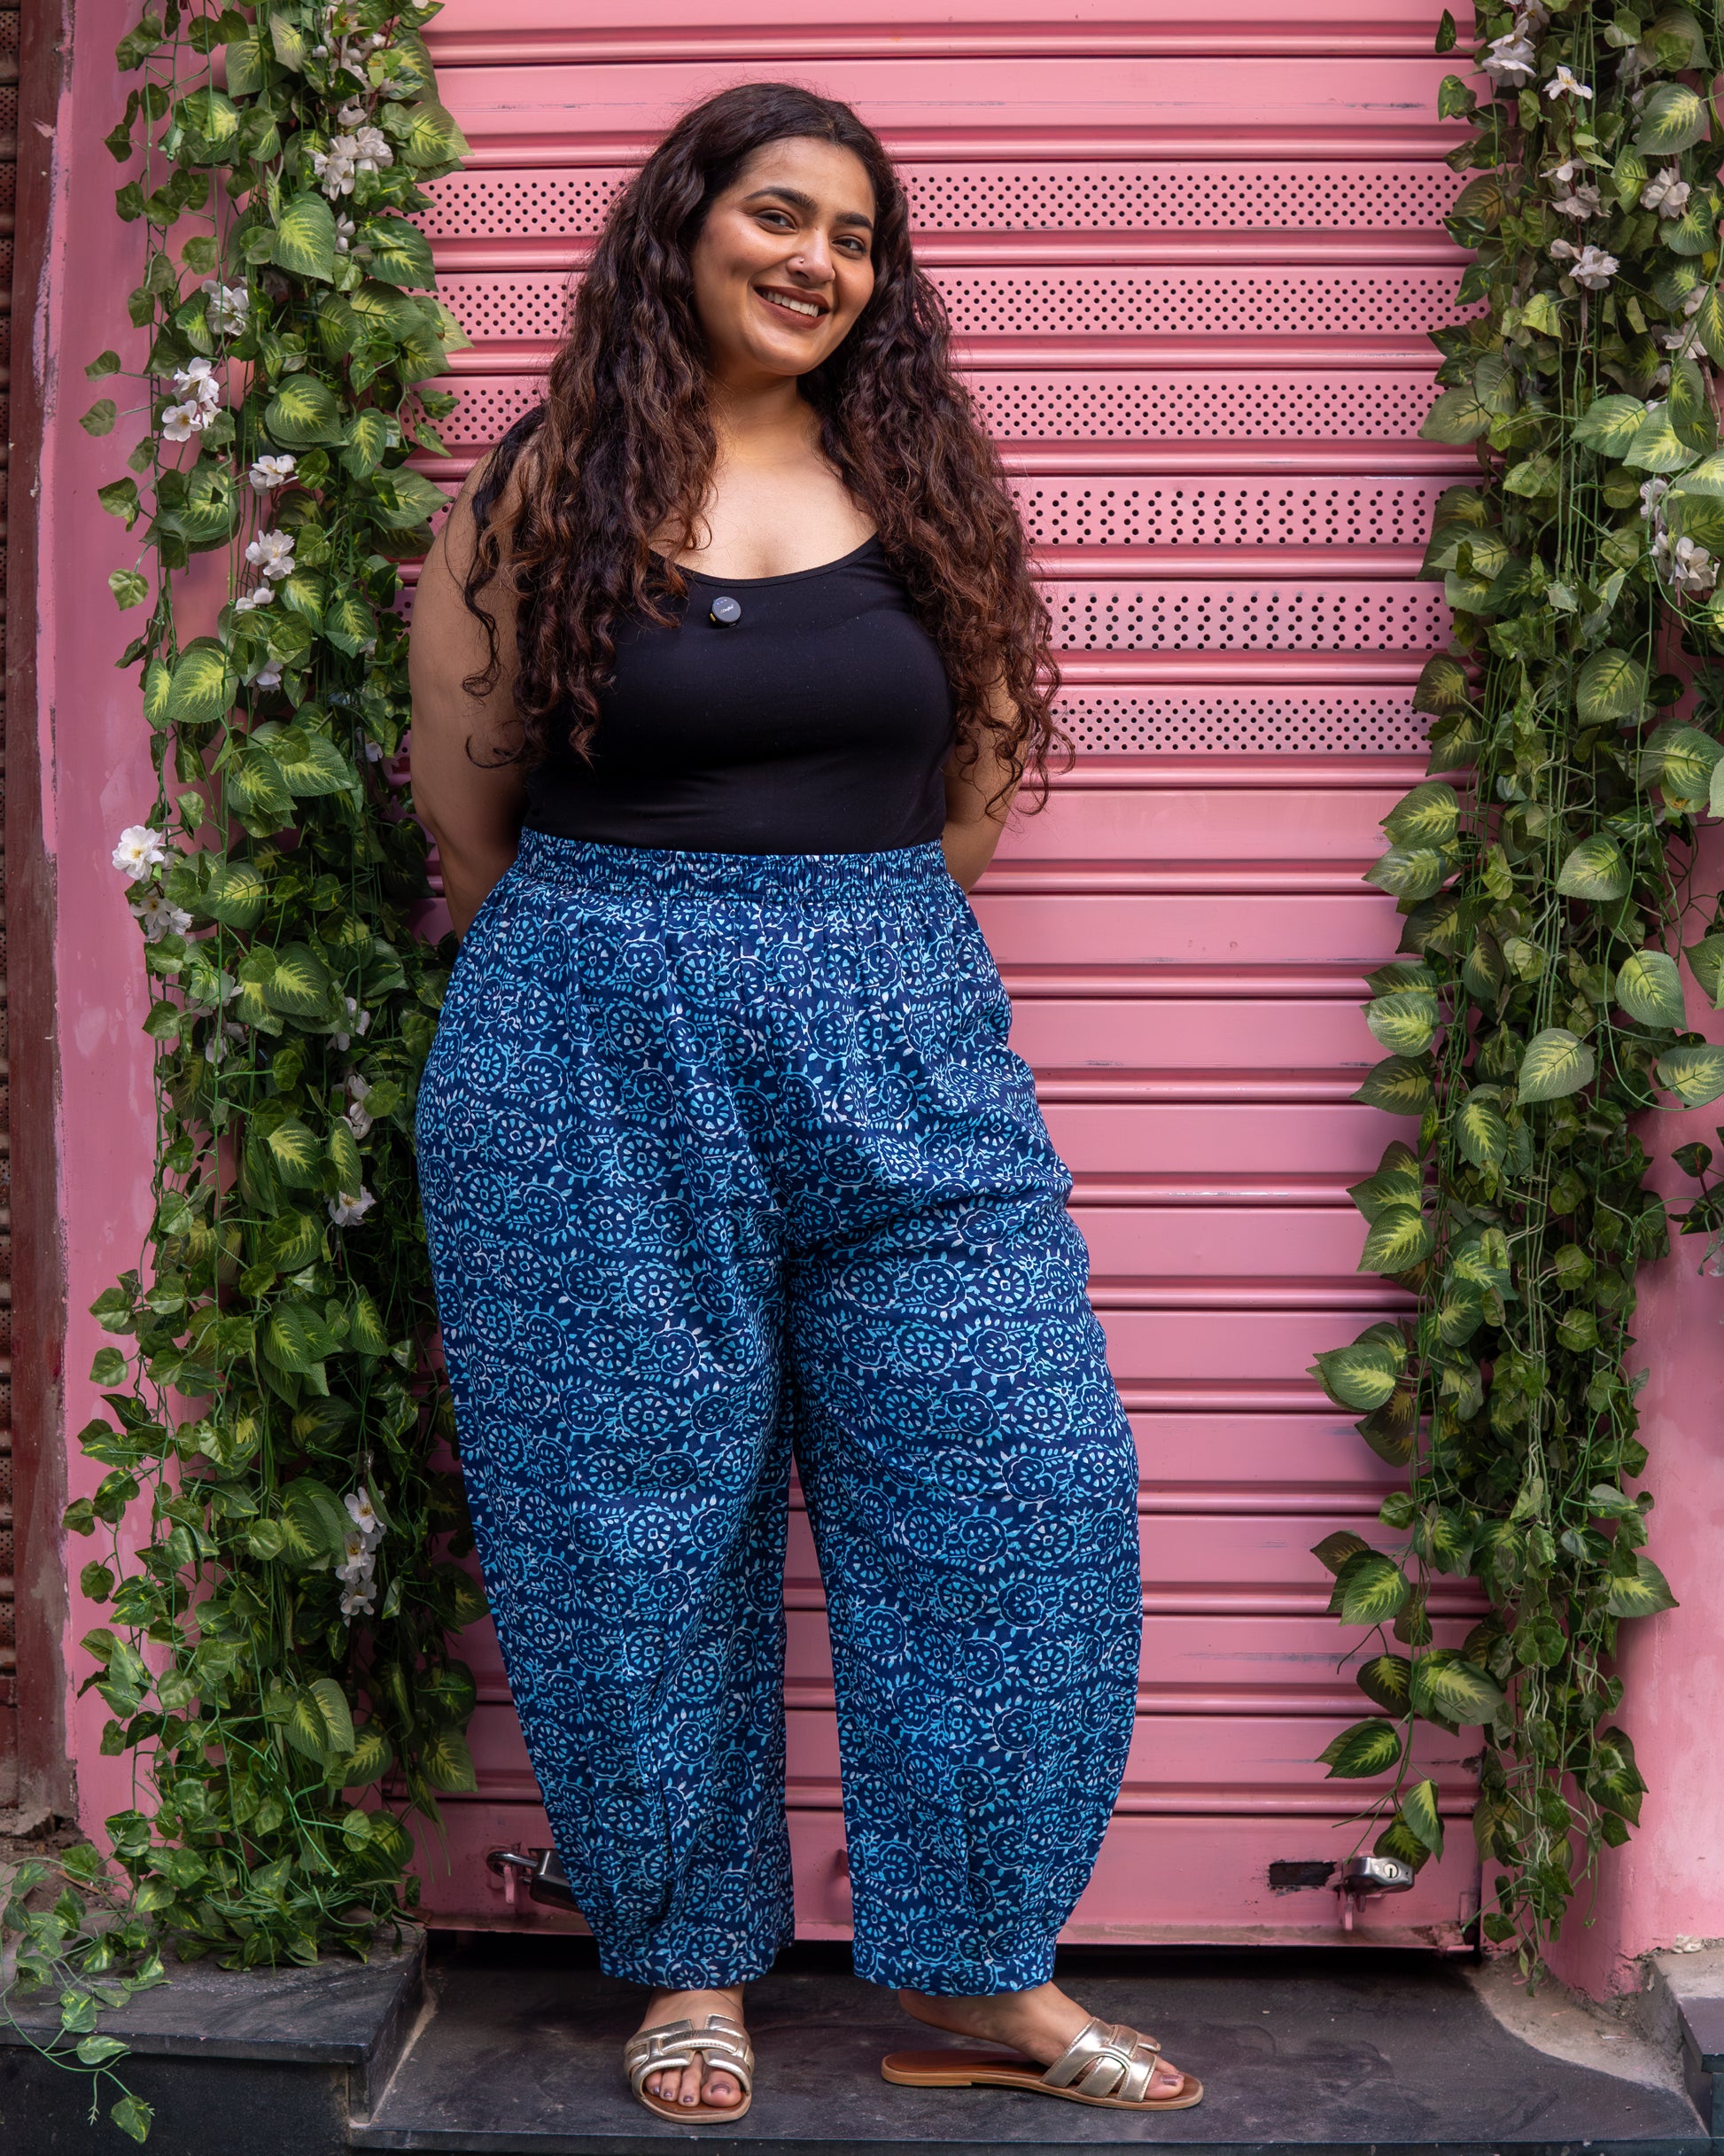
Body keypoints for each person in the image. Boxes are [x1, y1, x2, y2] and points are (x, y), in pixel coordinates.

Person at [408, 80, 1200, 2123]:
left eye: (854, 236)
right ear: (681, 227)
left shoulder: (921, 485)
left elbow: (975, 780)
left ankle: (978, 1965)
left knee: (1026, 1476)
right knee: (630, 1515)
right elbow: (467, 804)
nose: (817, 260)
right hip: (586, 1036)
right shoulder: (545, 487)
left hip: (897, 1024)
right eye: (777, 214)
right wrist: (646, 947)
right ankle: (688, 1962)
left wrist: (830, 940)